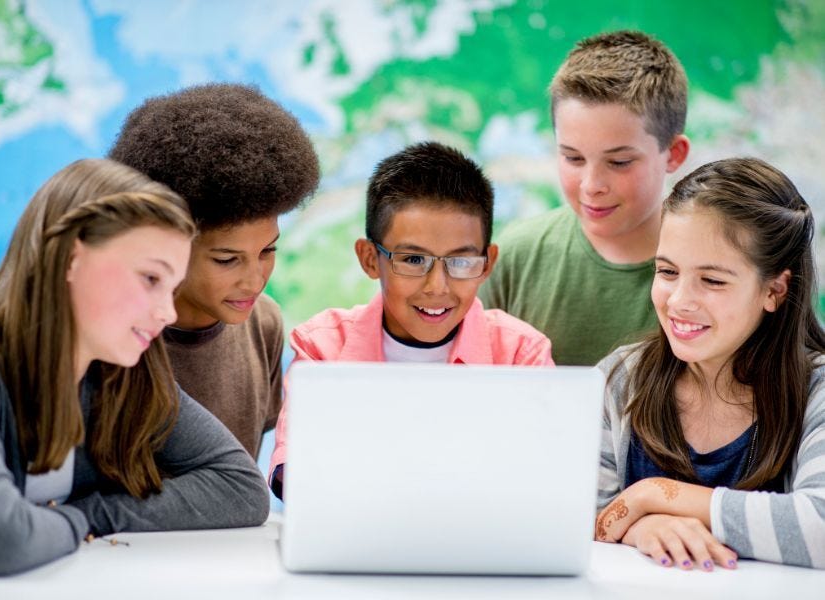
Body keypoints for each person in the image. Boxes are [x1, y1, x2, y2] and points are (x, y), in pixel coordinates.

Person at [0, 159, 270, 578]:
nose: (166, 312)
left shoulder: (122, 373)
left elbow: (240, 488)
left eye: (172, 287)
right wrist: (75, 523)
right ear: (72, 258)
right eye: (150, 279)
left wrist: (93, 514)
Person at [269, 141, 554, 499]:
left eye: (462, 262)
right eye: (413, 261)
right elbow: (297, 477)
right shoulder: (324, 347)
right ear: (370, 258)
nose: (438, 287)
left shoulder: (521, 355)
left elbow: (541, 481)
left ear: (488, 262)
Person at [594, 158, 825, 570]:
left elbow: (818, 528)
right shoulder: (619, 379)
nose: (679, 300)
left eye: (713, 280)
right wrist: (640, 529)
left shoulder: (816, 390)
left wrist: (654, 495)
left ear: (775, 290)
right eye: (667, 271)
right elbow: (577, 519)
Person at [109, 83, 320, 459]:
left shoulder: (264, 324)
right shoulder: (110, 335)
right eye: (226, 259)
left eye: (267, 250)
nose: (255, 281)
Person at [479, 30, 691, 365]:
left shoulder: (713, 270)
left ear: (674, 154)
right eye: (573, 158)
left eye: (619, 162)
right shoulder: (517, 257)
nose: (592, 185)